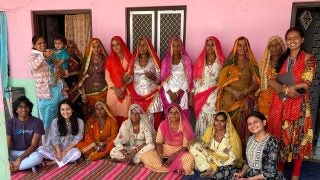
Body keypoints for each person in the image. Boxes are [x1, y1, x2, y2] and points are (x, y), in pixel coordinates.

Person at [268, 27, 315, 180]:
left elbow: (306, 84)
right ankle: (280, 171)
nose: (292, 40)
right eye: (289, 38)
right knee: (281, 137)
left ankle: (295, 175)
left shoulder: (309, 58)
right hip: (281, 103)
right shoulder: (282, 58)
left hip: (299, 104)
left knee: (299, 139)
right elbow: (271, 80)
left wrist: (286, 89)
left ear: (302, 40)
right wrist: (286, 90)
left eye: (296, 37)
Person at [216, 36, 260, 142]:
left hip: (243, 102)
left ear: (248, 48)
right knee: (226, 130)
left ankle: (240, 153)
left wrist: (244, 92)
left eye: (245, 45)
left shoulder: (251, 64)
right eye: (240, 45)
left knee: (241, 129)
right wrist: (233, 91)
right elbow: (220, 83)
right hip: (228, 101)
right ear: (235, 47)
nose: (242, 48)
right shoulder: (229, 64)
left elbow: (256, 83)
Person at [28, 35, 66, 142]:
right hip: (46, 95)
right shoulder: (34, 57)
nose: (43, 45)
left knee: (59, 118)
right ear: (34, 46)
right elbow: (33, 67)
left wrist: (60, 70)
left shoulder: (50, 55)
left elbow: (59, 68)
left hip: (57, 92)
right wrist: (43, 55)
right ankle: (47, 145)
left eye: (44, 42)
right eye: (39, 43)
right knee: (47, 121)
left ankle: (59, 143)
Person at [141, 104, 195, 175]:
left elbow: (185, 147)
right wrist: (161, 156)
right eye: (171, 113)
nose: (173, 115)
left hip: (179, 152)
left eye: (176, 113)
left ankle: (165, 168)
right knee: (146, 156)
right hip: (165, 150)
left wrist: (173, 156)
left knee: (190, 158)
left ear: (180, 114)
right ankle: (174, 168)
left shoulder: (184, 125)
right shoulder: (163, 124)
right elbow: (159, 143)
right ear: (168, 114)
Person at [190, 36, 226, 139]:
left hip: (213, 95)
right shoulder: (200, 61)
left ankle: (210, 143)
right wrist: (191, 95)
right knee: (201, 119)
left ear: (216, 46)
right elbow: (195, 80)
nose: (210, 47)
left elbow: (224, 80)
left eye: (212, 45)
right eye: (208, 45)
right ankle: (200, 142)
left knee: (212, 118)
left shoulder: (221, 62)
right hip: (199, 95)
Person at [189, 111, 243, 178]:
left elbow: (234, 156)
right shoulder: (211, 131)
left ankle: (216, 171)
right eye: (217, 120)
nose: (219, 123)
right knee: (194, 146)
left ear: (226, 122)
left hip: (224, 161)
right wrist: (193, 141)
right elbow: (203, 144)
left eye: (222, 121)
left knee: (234, 159)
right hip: (211, 157)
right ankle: (208, 169)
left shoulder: (231, 136)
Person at [233, 111, 283, 180]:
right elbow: (247, 163)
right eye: (249, 124)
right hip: (250, 175)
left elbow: (270, 173)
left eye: (255, 122)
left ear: (264, 122)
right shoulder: (249, 139)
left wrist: (248, 179)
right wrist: (242, 173)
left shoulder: (272, 142)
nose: (252, 125)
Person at [128, 37, 163, 129]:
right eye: (139, 45)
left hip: (152, 96)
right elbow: (131, 78)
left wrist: (153, 77)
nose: (141, 47)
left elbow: (160, 80)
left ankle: (153, 139)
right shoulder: (134, 61)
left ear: (148, 47)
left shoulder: (153, 61)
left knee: (152, 119)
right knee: (137, 118)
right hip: (137, 96)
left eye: (144, 45)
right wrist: (126, 79)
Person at [38, 99, 84, 168]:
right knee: (40, 149)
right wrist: (59, 151)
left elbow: (77, 139)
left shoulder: (79, 121)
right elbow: (54, 138)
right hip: (55, 150)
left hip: (69, 150)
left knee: (77, 153)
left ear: (72, 110)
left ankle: (51, 163)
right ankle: (66, 159)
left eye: (68, 109)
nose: (65, 112)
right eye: (62, 109)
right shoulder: (55, 121)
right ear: (59, 111)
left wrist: (65, 151)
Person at [6, 96, 44, 172]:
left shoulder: (38, 122)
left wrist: (19, 159)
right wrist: (7, 159)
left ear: (29, 108)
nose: (24, 109)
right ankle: (27, 165)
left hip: (29, 152)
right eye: (20, 107)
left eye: (26, 106)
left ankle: (12, 168)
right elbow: (8, 144)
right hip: (13, 152)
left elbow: (33, 146)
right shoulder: (10, 122)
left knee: (38, 157)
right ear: (16, 110)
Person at [160, 37, 193, 118]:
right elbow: (163, 79)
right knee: (170, 117)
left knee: (182, 118)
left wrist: (178, 93)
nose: (176, 48)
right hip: (168, 94)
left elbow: (188, 79)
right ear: (170, 47)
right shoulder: (166, 61)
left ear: (181, 47)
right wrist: (171, 94)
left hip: (181, 93)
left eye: (178, 46)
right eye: (173, 46)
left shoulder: (186, 60)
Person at [105, 36, 132, 125]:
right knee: (113, 114)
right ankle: (114, 135)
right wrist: (117, 90)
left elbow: (131, 75)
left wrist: (122, 89)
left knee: (125, 113)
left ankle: (124, 134)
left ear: (122, 45)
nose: (116, 47)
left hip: (126, 90)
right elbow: (107, 78)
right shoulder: (109, 59)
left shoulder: (129, 58)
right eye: (113, 45)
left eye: (118, 44)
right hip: (113, 91)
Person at [78, 38, 108, 119]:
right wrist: (83, 94)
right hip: (89, 93)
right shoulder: (87, 60)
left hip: (103, 91)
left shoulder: (105, 59)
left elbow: (109, 75)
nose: (96, 49)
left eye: (98, 47)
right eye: (94, 47)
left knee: (103, 113)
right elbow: (82, 77)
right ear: (90, 48)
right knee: (91, 115)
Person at [257, 35, 285, 118]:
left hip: (282, 97)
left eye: (277, 45)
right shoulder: (263, 63)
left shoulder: (287, 62)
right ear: (268, 48)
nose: (274, 48)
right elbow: (260, 82)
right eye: (272, 46)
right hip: (265, 99)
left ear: (282, 46)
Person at [65, 40, 84, 119]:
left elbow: (83, 71)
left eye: (72, 47)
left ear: (75, 48)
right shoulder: (64, 59)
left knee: (79, 105)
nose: (70, 49)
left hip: (78, 83)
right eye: (68, 47)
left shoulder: (79, 59)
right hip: (68, 84)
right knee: (70, 105)